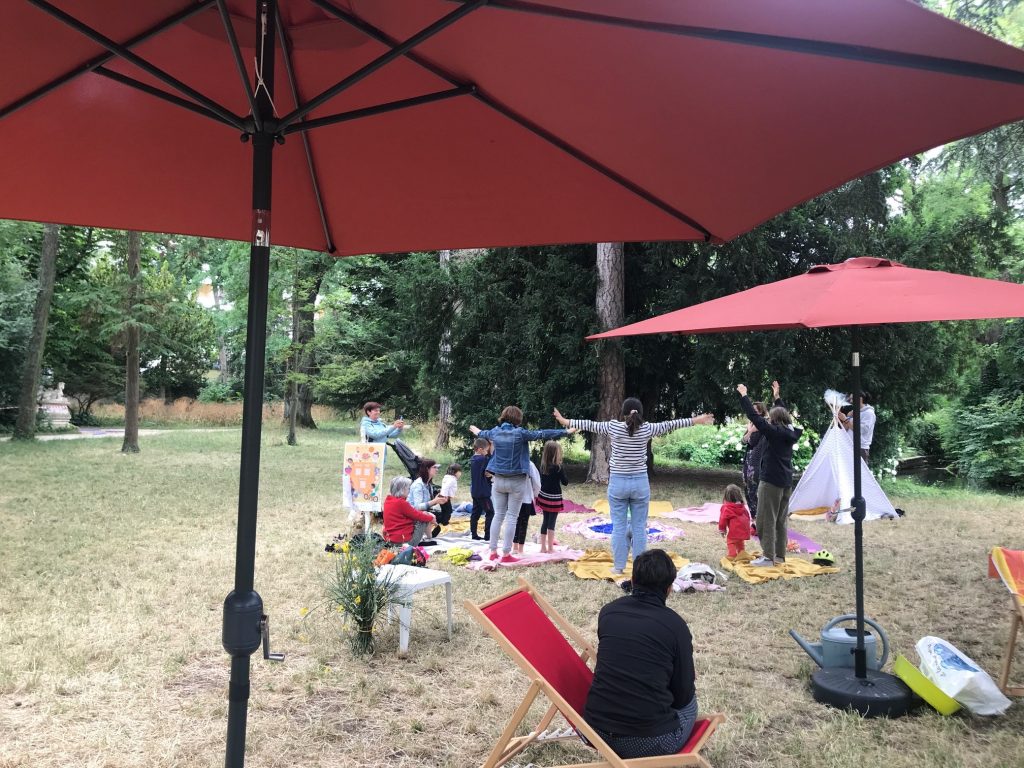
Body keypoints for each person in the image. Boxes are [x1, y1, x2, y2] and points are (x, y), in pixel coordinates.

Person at [553, 400, 713, 575]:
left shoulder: (613, 427)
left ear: (623, 413)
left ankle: (618, 567)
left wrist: (566, 421)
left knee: (619, 527)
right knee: (639, 527)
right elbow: (671, 424)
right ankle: (640, 569)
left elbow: (591, 425)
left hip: (618, 484)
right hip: (640, 484)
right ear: (641, 413)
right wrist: (696, 420)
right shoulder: (647, 429)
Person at [584, 549, 698, 759]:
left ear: (633, 579)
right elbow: (683, 694)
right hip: (650, 741)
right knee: (691, 703)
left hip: (593, 730)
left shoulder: (609, 612)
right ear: (669, 588)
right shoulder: (675, 625)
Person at [470, 407, 572, 564]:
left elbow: (482, 433)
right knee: (512, 517)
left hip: (498, 480)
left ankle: (492, 551)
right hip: (517, 481)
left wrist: (476, 431)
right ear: (518, 419)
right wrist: (566, 432)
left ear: (503, 417)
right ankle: (506, 553)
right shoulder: (521, 433)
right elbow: (542, 434)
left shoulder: (495, 432)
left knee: (498, 515)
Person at [737, 380, 802, 567]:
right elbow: (783, 414)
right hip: (786, 481)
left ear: (773, 419)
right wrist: (777, 397)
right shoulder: (789, 431)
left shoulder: (773, 432)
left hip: (771, 481)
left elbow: (753, 416)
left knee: (766, 518)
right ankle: (780, 555)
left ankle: (768, 556)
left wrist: (744, 395)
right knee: (781, 520)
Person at [382, 476, 435, 545]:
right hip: (404, 541)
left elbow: (411, 513)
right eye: (408, 489)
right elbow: (417, 515)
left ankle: (429, 537)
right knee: (425, 517)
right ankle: (429, 538)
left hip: (390, 539)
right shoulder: (401, 503)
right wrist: (432, 518)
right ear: (402, 489)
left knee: (424, 515)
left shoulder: (388, 501)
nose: (410, 491)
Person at [537, 440, 568, 554]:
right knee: (552, 523)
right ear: (556, 453)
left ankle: (543, 548)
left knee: (545, 521)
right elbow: (565, 482)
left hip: (544, 496)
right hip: (554, 498)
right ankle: (550, 548)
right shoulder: (558, 467)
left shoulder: (542, 466)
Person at [741, 400, 768, 530]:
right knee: (746, 488)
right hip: (748, 460)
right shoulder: (752, 424)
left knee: (753, 490)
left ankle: (759, 519)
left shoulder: (762, 425)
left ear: (761, 412)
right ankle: (753, 518)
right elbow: (743, 441)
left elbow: (752, 442)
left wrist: (750, 431)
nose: (753, 412)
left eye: (756, 410)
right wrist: (749, 430)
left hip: (756, 462)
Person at [408, 458, 446, 546]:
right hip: (411, 514)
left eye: (437, 467)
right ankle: (425, 538)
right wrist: (434, 501)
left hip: (419, 512)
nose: (437, 469)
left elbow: (427, 503)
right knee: (428, 515)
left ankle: (429, 538)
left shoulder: (428, 484)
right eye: (434, 467)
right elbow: (417, 507)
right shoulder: (418, 485)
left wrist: (438, 499)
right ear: (427, 469)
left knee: (431, 514)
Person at [511, 460, 541, 555]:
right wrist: (536, 494)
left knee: (514, 522)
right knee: (523, 523)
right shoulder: (529, 464)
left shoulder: (511, 462)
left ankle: (514, 547)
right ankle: (520, 549)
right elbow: (536, 482)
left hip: (513, 498)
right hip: (526, 497)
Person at [839, 391, 876, 462]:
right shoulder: (853, 412)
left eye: (853, 399)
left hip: (860, 448)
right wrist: (844, 419)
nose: (851, 401)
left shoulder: (869, 413)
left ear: (860, 399)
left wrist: (846, 419)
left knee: (860, 473)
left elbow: (860, 430)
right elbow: (844, 430)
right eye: (850, 399)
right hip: (849, 446)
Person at [469, 438, 494, 541]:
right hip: (483, 493)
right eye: (485, 450)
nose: (486, 452)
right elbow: (492, 460)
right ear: (479, 449)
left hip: (475, 491)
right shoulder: (483, 459)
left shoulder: (473, 459)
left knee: (476, 513)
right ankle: (488, 536)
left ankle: (474, 535)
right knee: (490, 512)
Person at [718, 484, 751, 558]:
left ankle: (732, 556)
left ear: (726, 496)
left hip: (734, 530)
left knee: (731, 541)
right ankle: (742, 554)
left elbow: (722, 519)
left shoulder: (726, 507)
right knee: (740, 541)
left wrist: (722, 530)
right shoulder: (742, 506)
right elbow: (747, 516)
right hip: (744, 529)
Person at [434, 462, 462, 537]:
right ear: (455, 472)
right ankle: (444, 522)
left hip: (444, 496)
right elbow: (446, 487)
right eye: (459, 471)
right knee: (448, 510)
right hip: (444, 497)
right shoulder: (451, 479)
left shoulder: (447, 477)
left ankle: (441, 519)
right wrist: (445, 496)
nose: (460, 473)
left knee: (445, 510)